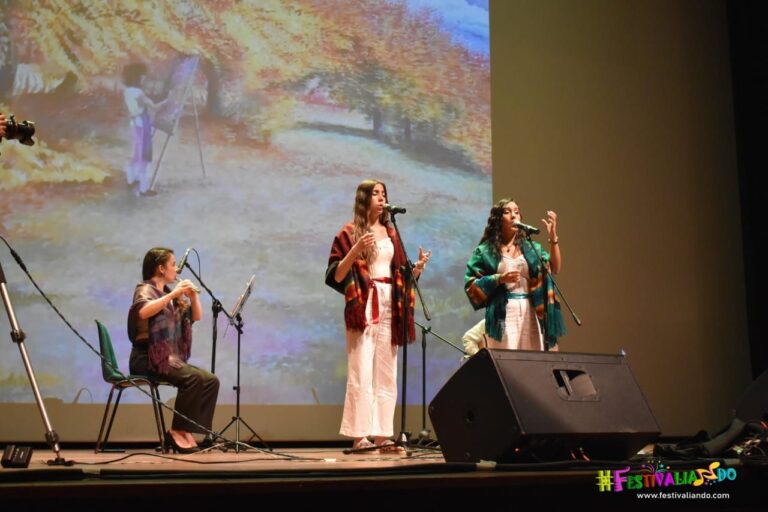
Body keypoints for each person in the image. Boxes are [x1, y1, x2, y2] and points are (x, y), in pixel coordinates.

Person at [325, 180, 431, 452]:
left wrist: (416, 270)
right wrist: (356, 250)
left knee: (386, 372)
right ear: (364, 199)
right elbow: (336, 275)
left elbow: (402, 274)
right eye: (376, 194)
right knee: (361, 369)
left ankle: (383, 434)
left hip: (390, 304)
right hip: (364, 302)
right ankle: (360, 435)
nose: (382, 198)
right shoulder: (350, 232)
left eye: (384, 193)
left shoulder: (391, 232)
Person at [127, 247, 219, 453]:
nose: (177, 269)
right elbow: (143, 311)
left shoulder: (168, 295)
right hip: (146, 358)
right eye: (173, 265)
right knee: (193, 378)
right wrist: (175, 294)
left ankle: (188, 430)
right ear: (161, 268)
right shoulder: (145, 289)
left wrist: (193, 297)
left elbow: (196, 317)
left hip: (165, 358)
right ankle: (177, 431)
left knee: (210, 380)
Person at [464, 198, 565, 351]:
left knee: (531, 361)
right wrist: (499, 279)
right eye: (507, 212)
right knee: (506, 360)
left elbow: (554, 268)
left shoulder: (531, 248)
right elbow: (471, 285)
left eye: (517, 212)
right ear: (498, 219)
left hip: (530, 311)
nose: (513, 216)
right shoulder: (485, 251)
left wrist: (553, 239)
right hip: (503, 314)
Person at [122, 63, 163, 197]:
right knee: (144, 156)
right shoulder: (138, 93)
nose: (144, 79)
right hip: (142, 124)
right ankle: (144, 188)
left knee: (136, 153)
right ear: (137, 77)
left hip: (134, 124)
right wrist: (170, 100)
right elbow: (154, 107)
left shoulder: (127, 91)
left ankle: (131, 179)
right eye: (143, 77)